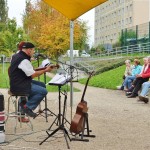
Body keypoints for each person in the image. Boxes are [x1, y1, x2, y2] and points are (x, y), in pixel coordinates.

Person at [9, 42, 54, 118]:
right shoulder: (24, 60)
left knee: (42, 85)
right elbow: (32, 75)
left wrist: (43, 69)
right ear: (29, 50)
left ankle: (23, 103)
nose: (34, 52)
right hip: (19, 85)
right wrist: (45, 70)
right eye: (33, 50)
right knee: (43, 91)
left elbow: (28, 71)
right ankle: (27, 107)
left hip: (17, 82)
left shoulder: (16, 56)